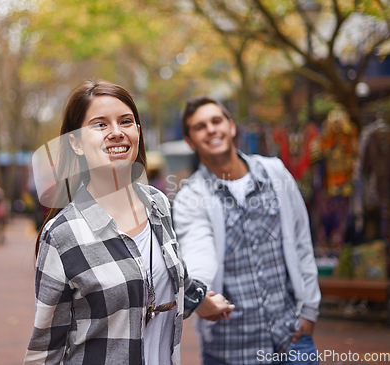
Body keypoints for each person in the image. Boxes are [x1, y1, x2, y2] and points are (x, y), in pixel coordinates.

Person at [24, 80, 234, 365]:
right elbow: (45, 350)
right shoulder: (62, 234)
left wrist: (202, 301)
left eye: (126, 121)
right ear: (75, 143)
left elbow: (170, 276)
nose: (116, 133)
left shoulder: (157, 203)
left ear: (138, 131)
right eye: (100, 125)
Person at [172, 96, 321, 365]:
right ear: (190, 141)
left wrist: (309, 312)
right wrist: (200, 293)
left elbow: (301, 241)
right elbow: (197, 248)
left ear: (230, 127)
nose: (211, 129)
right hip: (230, 349)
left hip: (294, 340)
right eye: (200, 126)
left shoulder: (275, 173)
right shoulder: (190, 197)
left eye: (216, 121)